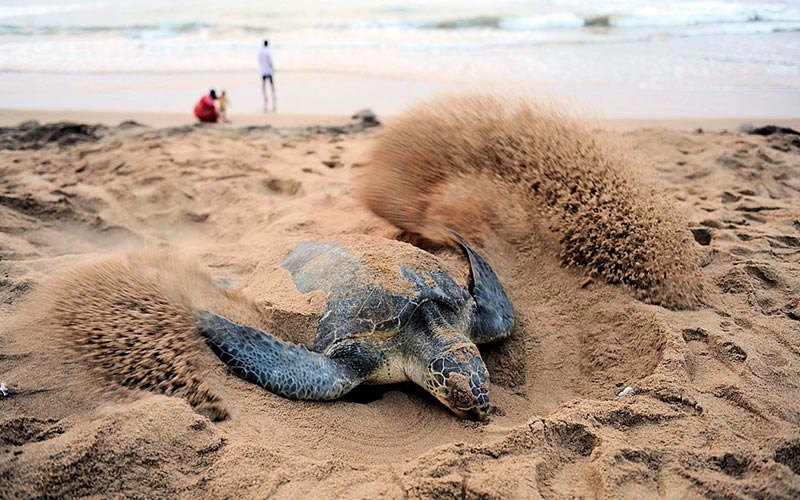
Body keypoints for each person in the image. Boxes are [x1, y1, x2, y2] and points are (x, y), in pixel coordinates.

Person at [259, 40, 276, 112]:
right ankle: (273, 95)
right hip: (268, 70)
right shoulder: (268, 51)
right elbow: (270, 61)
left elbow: (259, 60)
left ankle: (265, 95)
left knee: (264, 84)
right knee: (271, 84)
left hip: (263, 70)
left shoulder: (261, 51)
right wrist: (273, 68)